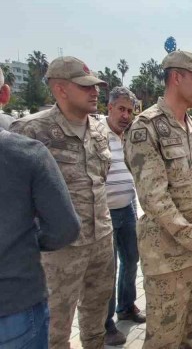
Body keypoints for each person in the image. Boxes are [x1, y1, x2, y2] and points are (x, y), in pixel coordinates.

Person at [10, 56, 115, 349]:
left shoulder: (99, 130)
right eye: (85, 86)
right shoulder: (30, 131)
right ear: (60, 89)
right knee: (56, 326)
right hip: (59, 252)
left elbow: (100, 179)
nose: (95, 92)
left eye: (96, 86)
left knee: (97, 315)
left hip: (101, 239)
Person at [123, 50, 192, 349]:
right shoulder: (146, 127)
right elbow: (154, 198)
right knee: (165, 339)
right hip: (166, 259)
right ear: (176, 77)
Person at [0, 128, 80, 348]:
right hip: (15, 306)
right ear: (5, 94)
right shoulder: (26, 152)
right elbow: (65, 228)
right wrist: (27, 242)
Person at [102, 87, 146, 346]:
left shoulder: (130, 136)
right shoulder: (97, 133)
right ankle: (106, 324)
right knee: (109, 269)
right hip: (104, 212)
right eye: (121, 109)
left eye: (130, 110)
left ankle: (126, 306)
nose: (126, 115)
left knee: (131, 259)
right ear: (109, 108)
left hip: (128, 207)